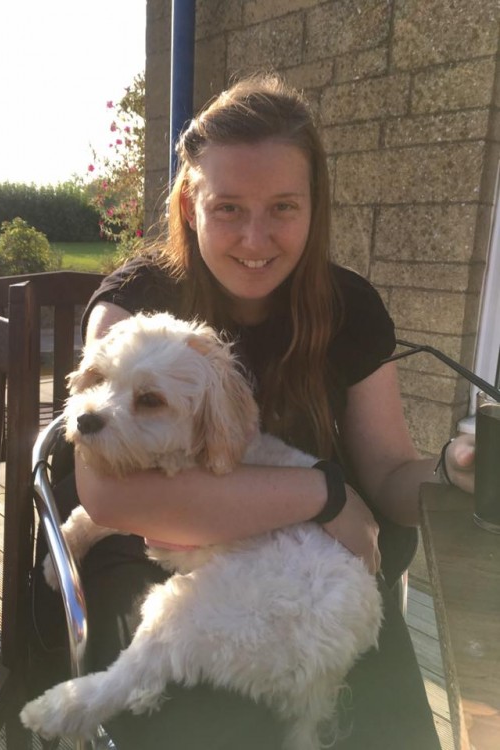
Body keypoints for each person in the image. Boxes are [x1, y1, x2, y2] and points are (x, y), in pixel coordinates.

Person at [32, 74, 475, 749]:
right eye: (228, 208)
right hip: (147, 560)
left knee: (391, 734)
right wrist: (322, 493)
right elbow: (106, 491)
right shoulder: (136, 299)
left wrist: (451, 470)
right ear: (188, 204)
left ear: (315, 207)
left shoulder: (348, 307)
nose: (255, 238)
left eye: (283, 208)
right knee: (214, 726)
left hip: (305, 574)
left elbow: (386, 475)